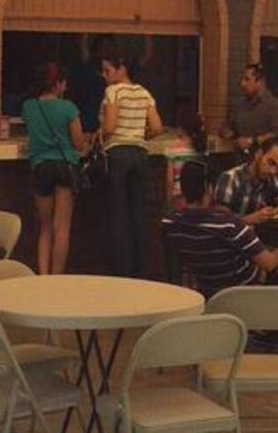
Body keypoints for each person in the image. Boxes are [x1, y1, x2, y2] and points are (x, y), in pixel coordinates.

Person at [161, 159, 278, 298]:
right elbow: (269, 263)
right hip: (243, 290)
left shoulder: (170, 223)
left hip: (205, 290)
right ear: (208, 188)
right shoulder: (228, 224)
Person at [20, 61, 86, 274]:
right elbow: (78, 143)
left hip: (40, 166)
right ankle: (57, 277)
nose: (66, 86)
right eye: (64, 82)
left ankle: (43, 276)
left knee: (45, 227)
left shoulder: (29, 106)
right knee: (62, 227)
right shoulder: (68, 108)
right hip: (64, 166)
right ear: (57, 84)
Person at [100, 54, 163, 276]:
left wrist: (98, 135)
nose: (104, 76)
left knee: (119, 213)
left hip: (118, 153)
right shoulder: (144, 93)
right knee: (138, 212)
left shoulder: (113, 91)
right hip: (139, 153)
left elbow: (110, 127)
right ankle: (141, 268)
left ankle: (121, 269)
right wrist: (140, 136)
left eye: (107, 70)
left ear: (121, 69)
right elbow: (157, 127)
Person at [213, 136, 278, 226]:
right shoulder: (231, 178)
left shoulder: (271, 179)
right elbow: (220, 222)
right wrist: (251, 219)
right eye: (271, 163)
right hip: (234, 234)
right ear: (258, 154)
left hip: (258, 234)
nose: (273, 171)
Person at [221, 62, 278, 153]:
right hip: (239, 157)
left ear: (260, 82)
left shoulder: (274, 106)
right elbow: (227, 127)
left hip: (263, 156)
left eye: (247, 79)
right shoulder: (240, 106)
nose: (242, 84)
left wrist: (251, 141)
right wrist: (227, 133)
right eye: (242, 79)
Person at [163, 104, 207, 210]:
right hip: (198, 195)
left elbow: (169, 179)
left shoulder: (172, 149)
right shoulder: (201, 147)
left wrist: (168, 201)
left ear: (180, 127)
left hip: (178, 195)